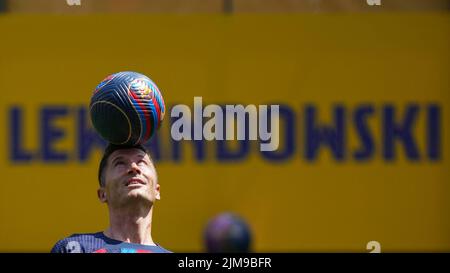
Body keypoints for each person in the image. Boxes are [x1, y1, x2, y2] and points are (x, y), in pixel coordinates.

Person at [51, 144, 170, 253]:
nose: (134, 167)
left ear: (157, 191)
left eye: (141, 162)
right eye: (120, 163)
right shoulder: (74, 248)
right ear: (103, 194)